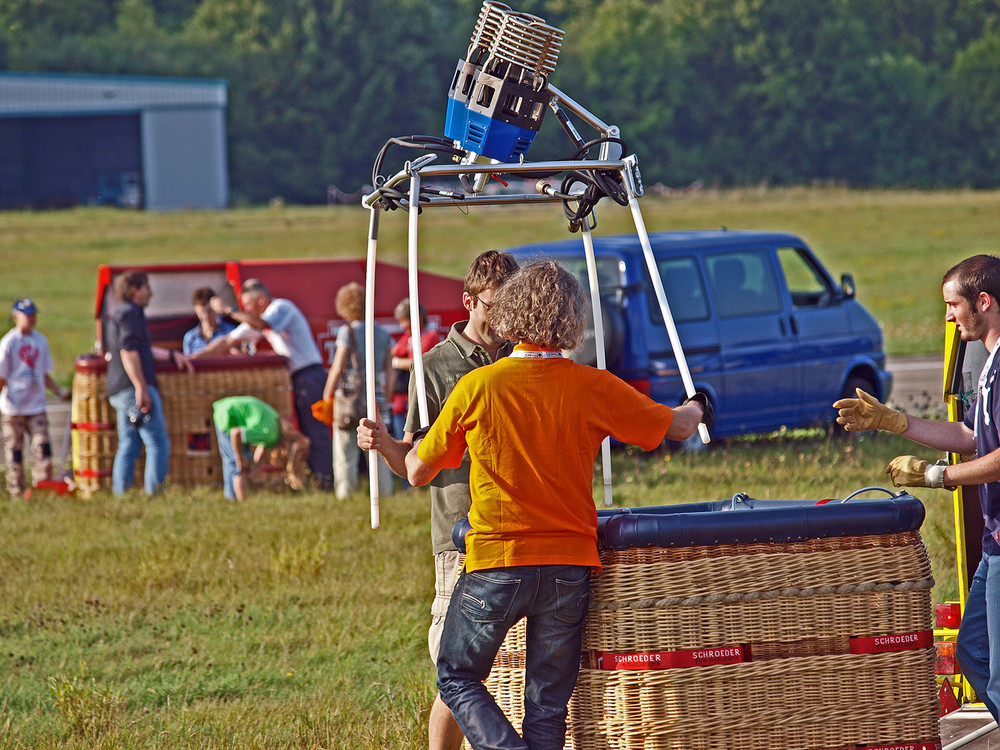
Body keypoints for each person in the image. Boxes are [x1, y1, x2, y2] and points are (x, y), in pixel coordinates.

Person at [403, 260, 710, 750]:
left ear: (510, 313)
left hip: (497, 561)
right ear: (572, 321)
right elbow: (675, 427)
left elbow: (419, 470)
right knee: (547, 709)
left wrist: (424, 440)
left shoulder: (478, 387)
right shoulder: (592, 385)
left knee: (456, 677)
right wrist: (698, 405)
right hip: (570, 564)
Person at [356, 249, 520, 750]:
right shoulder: (434, 366)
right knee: (457, 668)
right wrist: (385, 445)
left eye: (512, 306)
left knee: (517, 666)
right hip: (462, 534)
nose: (504, 318)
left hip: (523, 530)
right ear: (468, 301)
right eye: (495, 306)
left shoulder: (523, 357)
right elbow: (415, 464)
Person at [833, 254, 1000, 723]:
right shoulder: (988, 367)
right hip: (994, 543)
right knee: (971, 653)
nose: (948, 316)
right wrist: (896, 422)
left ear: (983, 302)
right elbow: (972, 438)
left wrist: (937, 476)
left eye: (953, 305)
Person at [201, 279, 334, 488]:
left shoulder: (281, 308)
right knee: (309, 432)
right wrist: (194, 358)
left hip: (309, 375)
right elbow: (228, 341)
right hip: (301, 378)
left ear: (261, 299)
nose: (246, 310)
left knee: (315, 432)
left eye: (248, 305)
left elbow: (261, 325)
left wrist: (229, 310)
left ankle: (326, 481)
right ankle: (319, 480)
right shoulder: (262, 319)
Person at [106, 270, 194, 495]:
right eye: (147, 288)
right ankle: (157, 493)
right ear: (135, 290)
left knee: (129, 443)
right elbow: (129, 351)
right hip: (132, 388)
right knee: (158, 443)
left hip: (120, 388)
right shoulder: (130, 314)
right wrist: (141, 388)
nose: (151, 293)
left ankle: (121, 493)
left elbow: (141, 349)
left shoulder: (123, 313)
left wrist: (172, 356)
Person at [323, 281, 395, 499]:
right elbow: (390, 372)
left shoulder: (347, 333)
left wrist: (327, 395)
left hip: (350, 399)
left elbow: (337, 367)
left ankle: (345, 495)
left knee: (345, 452)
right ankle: (386, 493)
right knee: (381, 448)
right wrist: (387, 397)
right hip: (376, 398)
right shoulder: (383, 334)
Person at [0, 298, 70, 499]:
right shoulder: (8, 344)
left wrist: (58, 391)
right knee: (14, 453)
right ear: (15, 317)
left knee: (42, 448)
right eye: (26, 315)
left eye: (33, 315)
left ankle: (41, 489)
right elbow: (2, 377)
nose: (31, 319)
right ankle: (16, 493)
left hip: (35, 405)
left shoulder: (40, 341)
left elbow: (43, 374)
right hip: (13, 407)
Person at [212, 395, 310, 502]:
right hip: (228, 415)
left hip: (236, 416)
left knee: (243, 462)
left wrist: (256, 466)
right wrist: (240, 458)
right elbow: (235, 433)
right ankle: (240, 503)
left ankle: (233, 499)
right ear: (285, 451)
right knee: (237, 466)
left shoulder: (276, 433)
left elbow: (261, 447)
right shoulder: (269, 434)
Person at [390, 298, 444, 440]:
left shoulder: (430, 337)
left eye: (404, 321)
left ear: (417, 318)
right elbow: (394, 354)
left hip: (419, 402)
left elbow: (417, 363)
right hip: (401, 402)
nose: (402, 326)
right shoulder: (407, 338)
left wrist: (397, 362)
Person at [183, 286, 236, 356]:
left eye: (209, 311)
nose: (206, 316)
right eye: (201, 312)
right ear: (196, 311)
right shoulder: (190, 337)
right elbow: (187, 363)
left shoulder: (231, 332)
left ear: (216, 308)